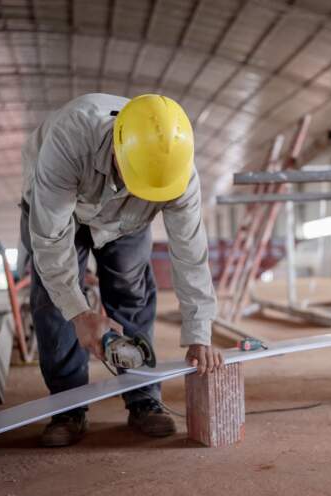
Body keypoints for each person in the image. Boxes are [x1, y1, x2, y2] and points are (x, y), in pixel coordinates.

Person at [20, 93, 221, 446]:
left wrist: (199, 330)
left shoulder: (177, 171)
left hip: (129, 219)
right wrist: (80, 312)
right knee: (55, 304)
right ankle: (69, 407)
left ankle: (142, 395)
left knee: (131, 290)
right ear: (117, 151)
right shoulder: (69, 141)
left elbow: (190, 253)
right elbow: (51, 242)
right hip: (58, 208)